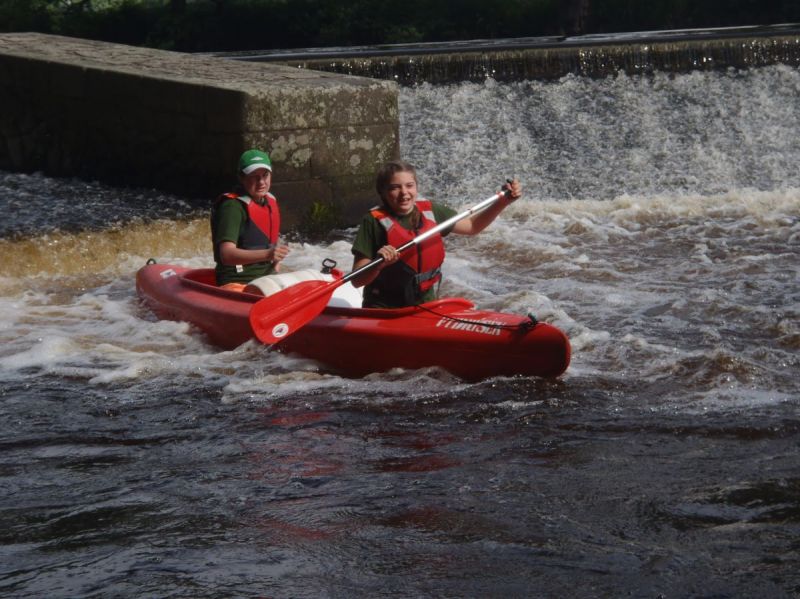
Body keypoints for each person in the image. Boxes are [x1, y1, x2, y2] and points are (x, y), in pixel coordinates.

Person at [350, 159, 522, 308]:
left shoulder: (431, 211)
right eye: (395, 188)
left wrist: (503, 202)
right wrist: (378, 264)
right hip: (384, 308)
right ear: (383, 192)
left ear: (416, 187)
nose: (404, 193)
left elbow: (472, 226)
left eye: (409, 185)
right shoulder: (372, 221)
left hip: (425, 305)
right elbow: (357, 280)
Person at [211, 149, 290, 291]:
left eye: (265, 175)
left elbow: (270, 241)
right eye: (254, 176)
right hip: (238, 282)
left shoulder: (270, 201)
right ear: (241, 178)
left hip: (267, 279)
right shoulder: (232, 207)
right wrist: (268, 254)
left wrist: (275, 264)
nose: (261, 182)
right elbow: (226, 255)